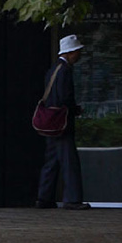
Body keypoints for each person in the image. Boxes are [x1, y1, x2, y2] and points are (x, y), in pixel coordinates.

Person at [36, 33, 89, 209]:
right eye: (77, 52)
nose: (79, 55)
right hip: (62, 123)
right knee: (69, 160)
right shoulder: (65, 71)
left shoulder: (53, 69)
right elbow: (65, 98)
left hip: (51, 123)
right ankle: (72, 199)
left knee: (51, 160)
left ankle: (44, 197)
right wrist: (75, 110)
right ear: (70, 52)